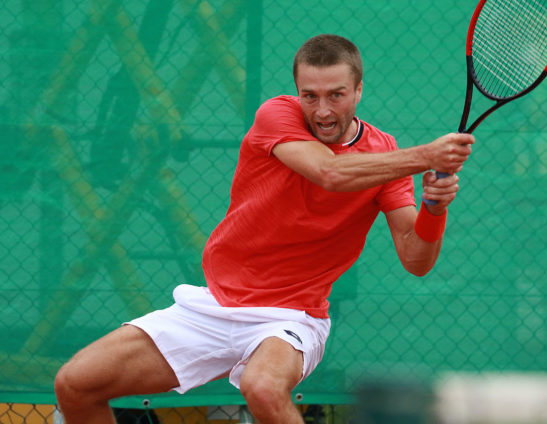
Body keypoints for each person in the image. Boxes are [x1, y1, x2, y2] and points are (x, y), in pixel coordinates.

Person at [54, 34, 474, 424]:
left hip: (292, 317)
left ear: (358, 91)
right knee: (75, 384)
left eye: (336, 95)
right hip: (214, 305)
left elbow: (416, 259)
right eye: (310, 96)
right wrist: (425, 156)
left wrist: (434, 206)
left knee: (263, 389)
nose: (323, 110)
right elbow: (327, 171)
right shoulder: (277, 114)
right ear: (297, 93)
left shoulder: (385, 156)